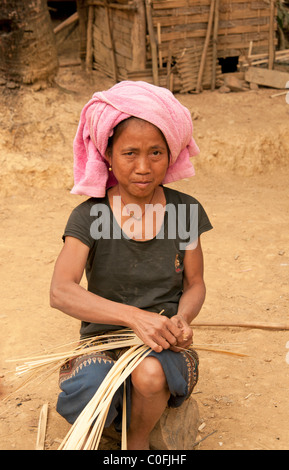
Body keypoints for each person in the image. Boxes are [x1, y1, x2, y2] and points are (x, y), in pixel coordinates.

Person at [50, 81, 213, 450]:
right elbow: (61, 290)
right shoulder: (91, 215)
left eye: (156, 152)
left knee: (151, 374)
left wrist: (181, 320)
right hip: (104, 340)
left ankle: (136, 442)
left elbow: (195, 283)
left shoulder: (184, 211)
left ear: (171, 153)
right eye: (130, 153)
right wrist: (133, 317)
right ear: (107, 154)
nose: (143, 167)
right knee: (91, 386)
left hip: (162, 341)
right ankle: (114, 419)